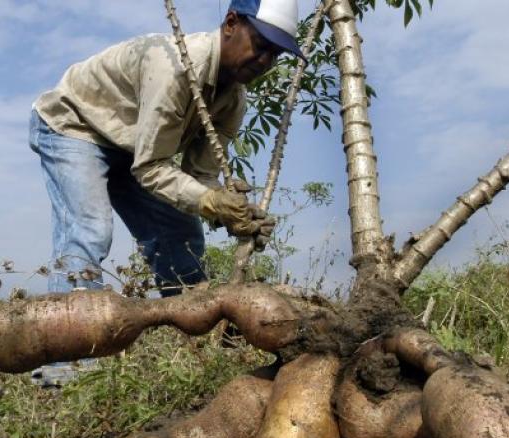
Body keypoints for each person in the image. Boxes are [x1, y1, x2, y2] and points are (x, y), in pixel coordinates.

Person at [29, 0, 303, 303]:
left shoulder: (234, 101)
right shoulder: (177, 70)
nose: (264, 61)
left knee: (181, 235)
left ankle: (196, 339)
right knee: (90, 231)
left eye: (275, 54)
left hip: (133, 148)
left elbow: (200, 175)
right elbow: (151, 168)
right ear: (230, 23)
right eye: (260, 44)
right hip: (77, 125)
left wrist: (232, 210)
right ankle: (74, 348)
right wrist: (211, 202)